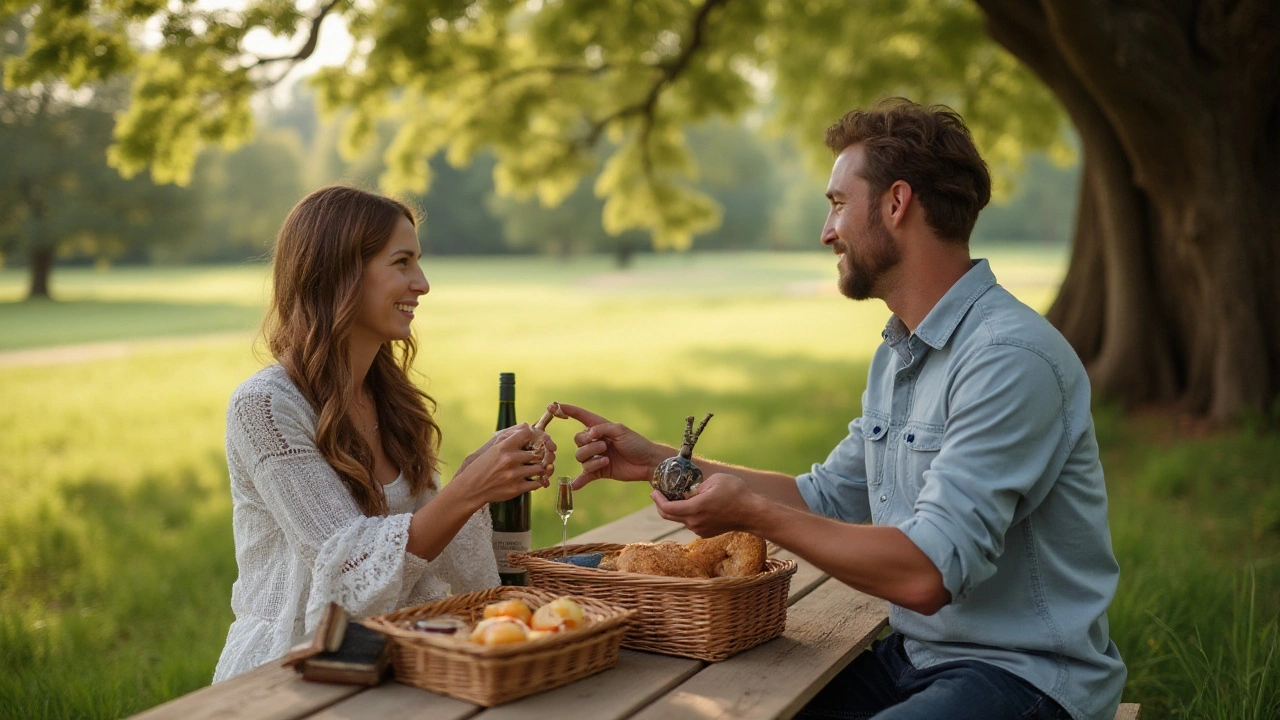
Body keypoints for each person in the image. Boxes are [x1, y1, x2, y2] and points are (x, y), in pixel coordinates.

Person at [559, 99, 1125, 720]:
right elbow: (825, 497)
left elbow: (927, 576)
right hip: (915, 658)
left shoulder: (1009, 359)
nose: (827, 232)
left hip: (1026, 679)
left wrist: (751, 515)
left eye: (835, 203)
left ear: (896, 203)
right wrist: (662, 462)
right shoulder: (901, 351)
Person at [213, 186, 555, 682]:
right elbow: (349, 569)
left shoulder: (390, 398)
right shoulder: (265, 407)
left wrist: (476, 478)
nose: (423, 283)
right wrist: (468, 488)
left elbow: (430, 553)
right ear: (339, 274)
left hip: (393, 655)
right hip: (295, 669)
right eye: (402, 263)